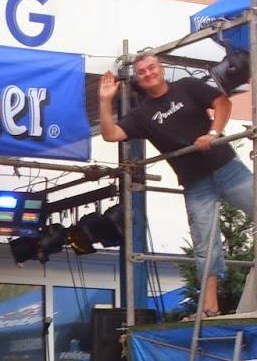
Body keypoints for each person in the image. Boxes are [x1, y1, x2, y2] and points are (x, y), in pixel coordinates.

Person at [99, 55, 253, 317]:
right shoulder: (141, 115)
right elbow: (110, 134)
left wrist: (213, 133)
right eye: (142, 71)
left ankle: (209, 307)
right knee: (204, 242)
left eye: (151, 68)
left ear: (161, 69)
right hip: (195, 182)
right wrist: (105, 100)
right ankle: (209, 307)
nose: (148, 73)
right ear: (138, 79)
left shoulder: (187, 86)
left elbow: (222, 102)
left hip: (226, 167)